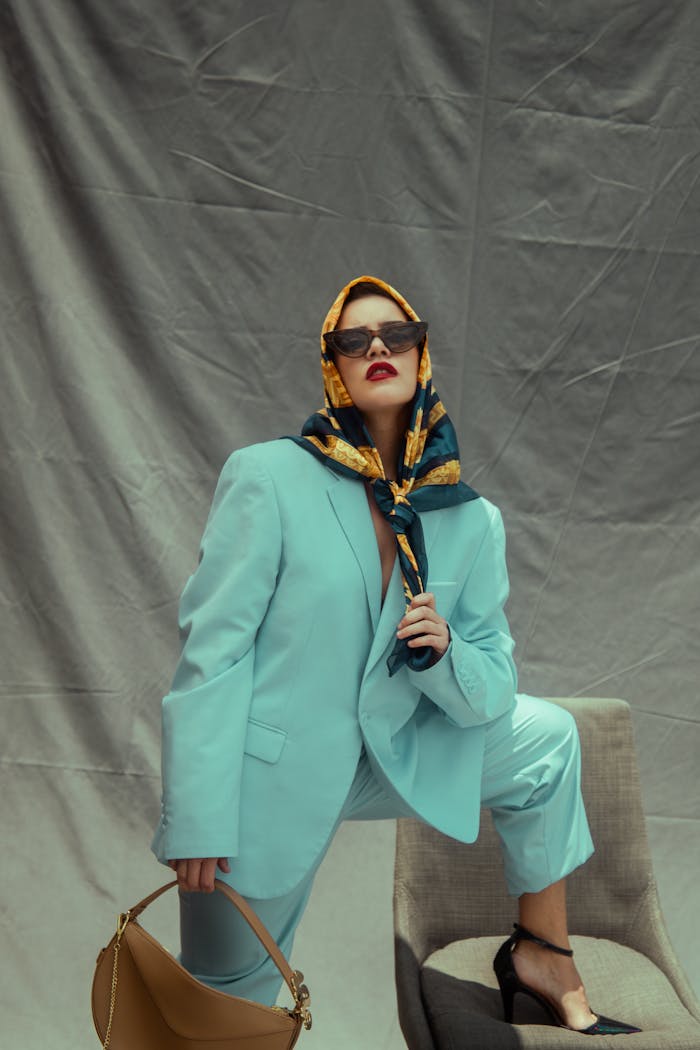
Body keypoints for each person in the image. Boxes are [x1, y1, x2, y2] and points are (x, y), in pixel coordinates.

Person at [151, 275, 640, 1035]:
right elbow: (213, 655)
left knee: (549, 739)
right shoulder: (269, 477)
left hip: (396, 753)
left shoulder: (471, 520)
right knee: (215, 1014)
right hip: (271, 770)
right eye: (354, 339)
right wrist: (198, 815)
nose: (376, 346)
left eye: (396, 334)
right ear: (335, 366)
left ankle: (543, 953)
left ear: (421, 355)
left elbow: (495, 686)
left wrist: (443, 653)